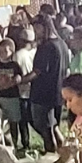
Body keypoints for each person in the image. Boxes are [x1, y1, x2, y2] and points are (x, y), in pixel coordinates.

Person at [25, 15, 64, 150]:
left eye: (38, 27)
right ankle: (63, 151)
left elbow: (38, 71)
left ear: (45, 27)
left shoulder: (46, 47)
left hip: (43, 94)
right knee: (53, 126)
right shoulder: (61, 43)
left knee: (45, 128)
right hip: (58, 93)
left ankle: (51, 154)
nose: (35, 31)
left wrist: (19, 80)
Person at [0, 38, 27, 152]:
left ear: (11, 51)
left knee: (14, 122)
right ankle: (2, 142)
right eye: (0, 51)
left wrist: (14, 80)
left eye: (5, 51)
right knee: (0, 121)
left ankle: (15, 144)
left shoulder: (14, 65)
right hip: (0, 96)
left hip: (12, 97)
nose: (2, 54)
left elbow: (19, 77)